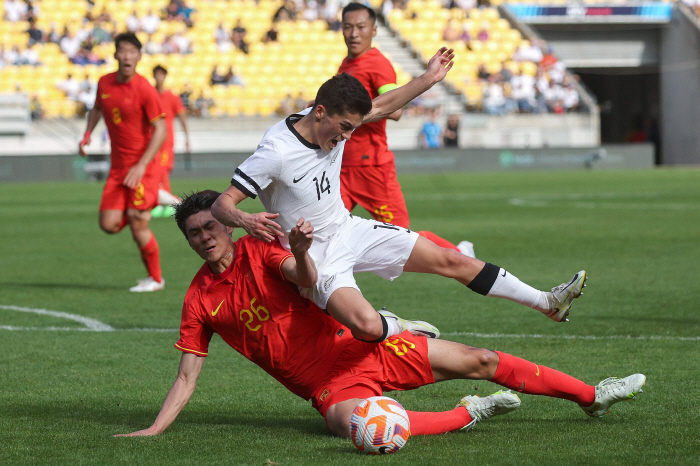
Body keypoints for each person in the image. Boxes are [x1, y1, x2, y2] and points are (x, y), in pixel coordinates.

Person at [115, 190, 646, 438]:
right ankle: (470, 412)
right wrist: (156, 429)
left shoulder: (260, 250)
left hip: (359, 346)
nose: (205, 238)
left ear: (227, 226)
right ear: (187, 241)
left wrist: (300, 250)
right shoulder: (198, 301)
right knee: (373, 433)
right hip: (327, 387)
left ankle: (591, 396)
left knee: (482, 357)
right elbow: (187, 375)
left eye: (211, 227)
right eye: (194, 234)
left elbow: (304, 278)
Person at [211, 49, 588, 347]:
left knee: (450, 259)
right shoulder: (276, 151)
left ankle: (547, 303)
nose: (345, 138)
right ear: (320, 112)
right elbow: (221, 205)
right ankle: (399, 326)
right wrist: (246, 220)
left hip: (348, 228)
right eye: (343, 128)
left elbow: (382, 106)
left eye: (352, 129)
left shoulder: (334, 118)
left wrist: (428, 78)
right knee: (364, 325)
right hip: (315, 258)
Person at [336, 3, 470, 255]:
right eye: (348, 27)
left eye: (360, 27)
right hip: (342, 167)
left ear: (374, 30)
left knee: (403, 239)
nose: (353, 33)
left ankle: (458, 255)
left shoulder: (377, 64)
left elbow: (395, 110)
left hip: (371, 168)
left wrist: (347, 112)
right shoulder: (347, 63)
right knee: (322, 230)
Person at [78, 32, 167, 292]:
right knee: (108, 225)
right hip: (118, 169)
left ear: (139, 57)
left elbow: (160, 130)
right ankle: (147, 202)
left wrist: (141, 165)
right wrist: (86, 135)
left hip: (143, 168)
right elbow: (96, 109)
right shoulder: (104, 83)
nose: (127, 56)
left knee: (139, 223)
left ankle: (156, 279)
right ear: (116, 54)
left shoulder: (145, 89)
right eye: (123, 51)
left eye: (133, 51)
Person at [152, 64, 190, 217]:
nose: (159, 78)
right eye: (157, 75)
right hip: (152, 140)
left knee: (163, 170)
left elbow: (181, 116)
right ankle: (163, 203)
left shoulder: (172, 97)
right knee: (156, 172)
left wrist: (187, 136)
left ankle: (171, 202)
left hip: (166, 140)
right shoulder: (150, 94)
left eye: (162, 75)